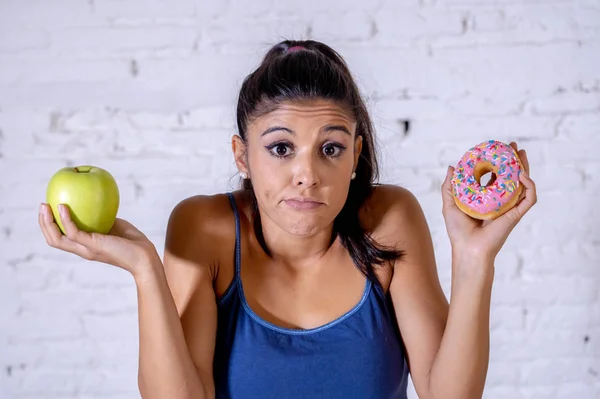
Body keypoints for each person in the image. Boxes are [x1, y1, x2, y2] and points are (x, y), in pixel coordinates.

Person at [38, 39, 537, 399]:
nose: (307, 174)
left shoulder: (389, 219)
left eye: (331, 149)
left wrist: (474, 262)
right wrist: (146, 269)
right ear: (242, 155)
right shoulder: (205, 229)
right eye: (280, 148)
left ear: (356, 155)